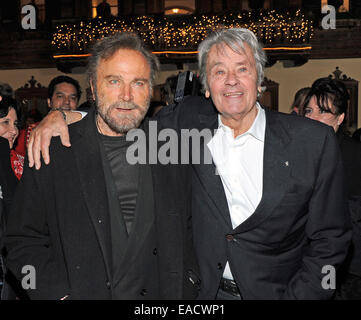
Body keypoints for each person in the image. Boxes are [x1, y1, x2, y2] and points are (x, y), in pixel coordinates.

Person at [27, 28, 351, 300]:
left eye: (242, 68)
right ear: (206, 86)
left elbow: (332, 238)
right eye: (219, 71)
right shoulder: (185, 125)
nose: (232, 81)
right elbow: (124, 112)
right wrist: (60, 115)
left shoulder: (312, 142)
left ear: (260, 78)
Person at [4, 33, 199, 300]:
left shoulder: (171, 147)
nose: (127, 95)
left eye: (138, 83)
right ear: (94, 88)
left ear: (150, 90)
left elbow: (191, 229)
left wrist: (188, 283)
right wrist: (54, 294)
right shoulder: (53, 149)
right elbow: (21, 241)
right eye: (114, 81)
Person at [302, 77, 361, 299]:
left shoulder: (354, 155)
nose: (313, 118)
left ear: (340, 118)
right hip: (303, 263)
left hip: (346, 267)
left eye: (323, 112)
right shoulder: (295, 155)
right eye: (309, 111)